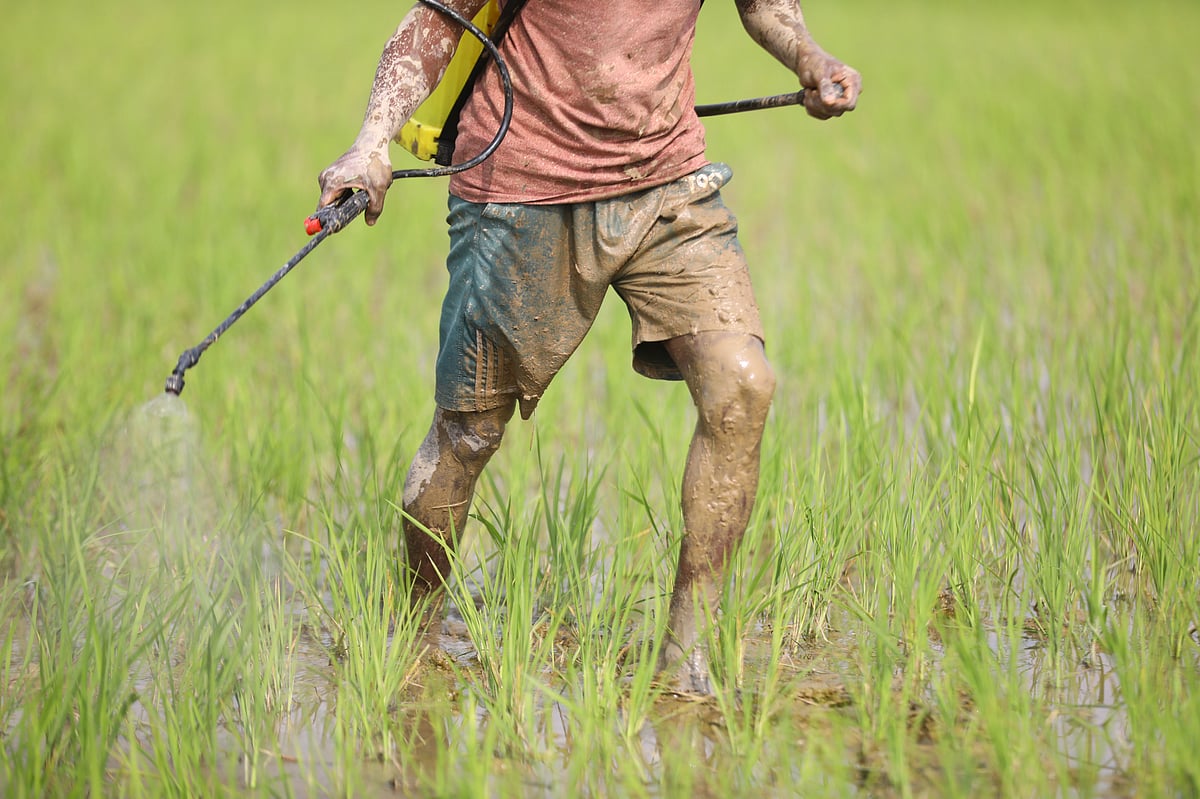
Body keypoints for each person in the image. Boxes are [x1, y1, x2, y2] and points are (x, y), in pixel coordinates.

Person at [317, 0, 860, 694]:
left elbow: (764, 6)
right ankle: (413, 635)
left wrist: (811, 59)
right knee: (469, 435)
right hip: (522, 191)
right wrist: (371, 142)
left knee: (742, 383)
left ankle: (685, 660)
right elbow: (436, 23)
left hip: (666, 179)